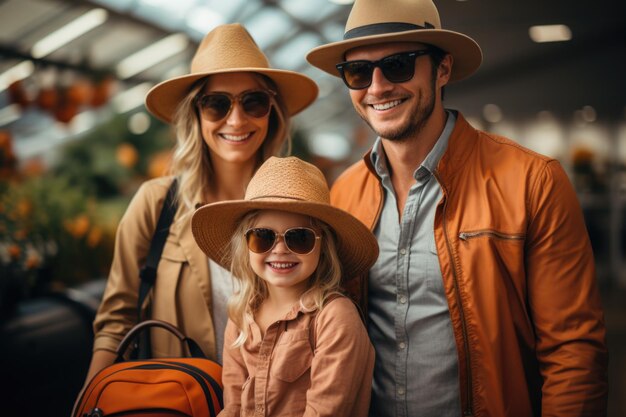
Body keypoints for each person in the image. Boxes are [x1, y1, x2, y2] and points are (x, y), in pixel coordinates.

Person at [306, 0, 608, 416]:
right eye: (358, 72)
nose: (376, 87)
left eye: (398, 65)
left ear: (442, 69)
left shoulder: (532, 181)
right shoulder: (342, 193)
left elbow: (573, 352)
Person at [83, 23, 318, 383]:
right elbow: (116, 321)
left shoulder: (301, 208)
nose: (236, 120)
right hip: (179, 402)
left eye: (254, 102)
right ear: (195, 113)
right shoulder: (156, 203)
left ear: (272, 111)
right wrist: (90, 399)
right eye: (216, 104)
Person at [191, 156, 378, 417]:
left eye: (299, 238)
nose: (280, 250)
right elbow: (232, 405)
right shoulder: (241, 315)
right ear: (245, 245)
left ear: (323, 247)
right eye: (263, 237)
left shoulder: (334, 318)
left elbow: (326, 411)